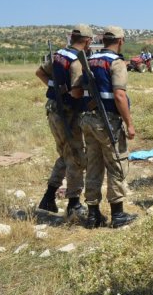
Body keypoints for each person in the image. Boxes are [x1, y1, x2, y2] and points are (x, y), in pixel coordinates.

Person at [80, 26, 137, 229]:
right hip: (107, 122)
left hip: (88, 120)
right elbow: (119, 95)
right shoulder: (116, 62)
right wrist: (129, 124)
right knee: (116, 165)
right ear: (120, 41)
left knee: (93, 166)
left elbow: (78, 90)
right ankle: (118, 215)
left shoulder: (90, 59)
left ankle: (93, 215)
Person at [35, 24, 92, 221]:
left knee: (65, 154)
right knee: (76, 156)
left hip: (53, 110)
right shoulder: (76, 61)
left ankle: (48, 197)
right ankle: (74, 204)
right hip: (68, 114)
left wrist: (56, 88)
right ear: (87, 41)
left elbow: (40, 73)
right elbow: (76, 92)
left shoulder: (59, 55)